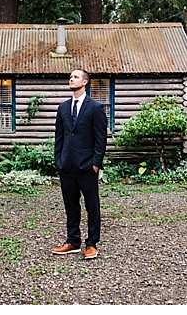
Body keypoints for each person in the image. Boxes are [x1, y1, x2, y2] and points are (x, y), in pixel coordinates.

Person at [51, 69, 108, 260]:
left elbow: (101, 139)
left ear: (84, 82)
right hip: (66, 166)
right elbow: (59, 137)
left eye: (75, 77)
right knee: (71, 205)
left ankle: (91, 244)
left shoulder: (95, 108)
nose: (71, 79)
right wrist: (58, 160)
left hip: (87, 166)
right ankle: (73, 241)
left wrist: (95, 164)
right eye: (70, 77)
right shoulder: (63, 108)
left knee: (92, 206)